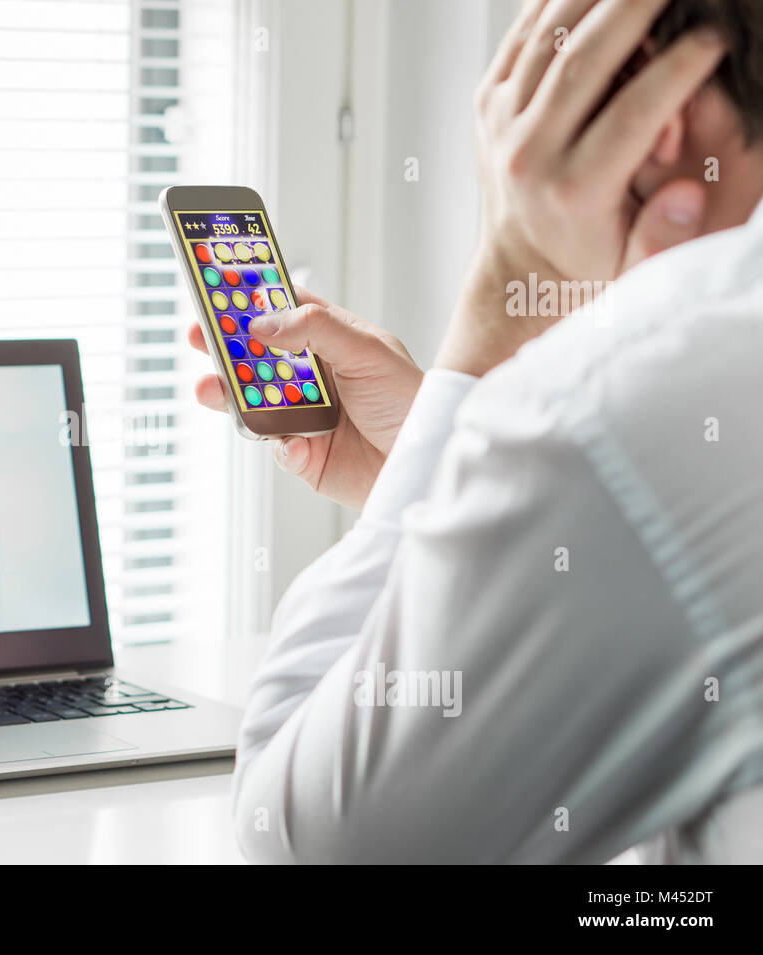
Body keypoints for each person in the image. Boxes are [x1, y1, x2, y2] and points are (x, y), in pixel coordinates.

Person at [194, 0, 763, 862]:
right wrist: (448, 463)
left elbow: (299, 840)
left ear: (643, 108)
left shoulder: (641, 397)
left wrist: (502, 315)